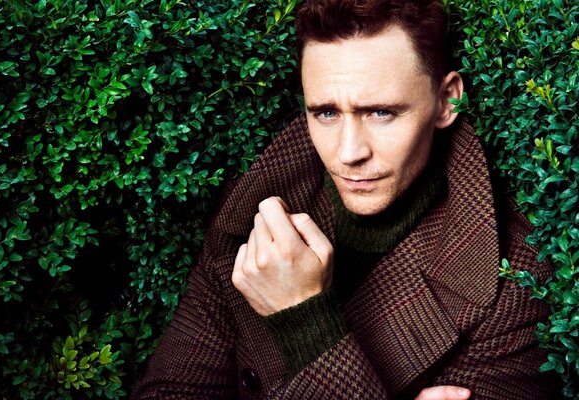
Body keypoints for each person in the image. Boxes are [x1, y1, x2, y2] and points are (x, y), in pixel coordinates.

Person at [132, 0, 559, 398]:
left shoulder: (515, 278)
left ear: (446, 101)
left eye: (381, 112)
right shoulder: (253, 208)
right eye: (326, 113)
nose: (349, 152)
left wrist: (305, 318)